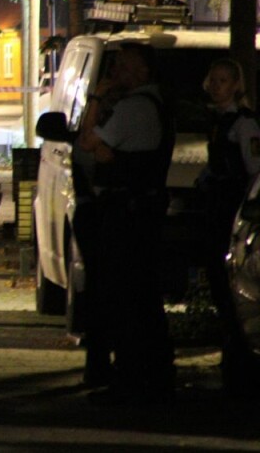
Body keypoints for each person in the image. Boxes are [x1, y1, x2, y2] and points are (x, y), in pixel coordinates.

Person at [77, 43, 176, 405]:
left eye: (121, 66)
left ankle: (133, 377)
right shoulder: (153, 107)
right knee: (142, 296)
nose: (114, 71)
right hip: (140, 210)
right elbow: (100, 150)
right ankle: (152, 373)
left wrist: (94, 100)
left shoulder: (135, 108)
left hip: (127, 214)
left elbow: (89, 142)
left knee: (125, 296)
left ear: (141, 73)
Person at [196, 57, 260, 393]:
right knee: (221, 289)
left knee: (232, 288)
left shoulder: (243, 124)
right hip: (217, 210)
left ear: (236, 86)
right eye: (214, 80)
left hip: (232, 214)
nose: (217, 86)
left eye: (224, 81)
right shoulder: (220, 120)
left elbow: (253, 170)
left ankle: (240, 364)